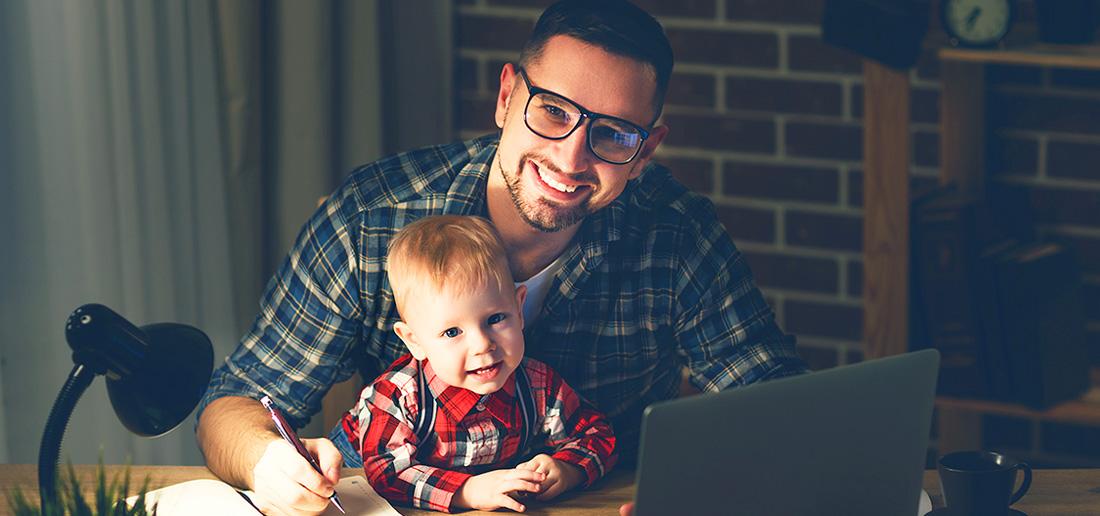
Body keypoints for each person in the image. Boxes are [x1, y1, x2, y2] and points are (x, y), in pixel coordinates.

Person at [196, 1, 807, 514]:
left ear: (645, 151)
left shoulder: (678, 236)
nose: (570, 160)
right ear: (508, 96)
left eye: (614, 134)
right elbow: (234, 403)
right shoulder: (372, 218)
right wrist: (266, 460)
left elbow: (781, 408)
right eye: (553, 112)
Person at [342, 214, 616, 513]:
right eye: (452, 332)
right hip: (358, 485)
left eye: (495, 319)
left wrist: (566, 470)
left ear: (519, 309)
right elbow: (386, 473)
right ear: (414, 341)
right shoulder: (397, 396)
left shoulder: (538, 385)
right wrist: (468, 491)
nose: (483, 344)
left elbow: (597, 435)